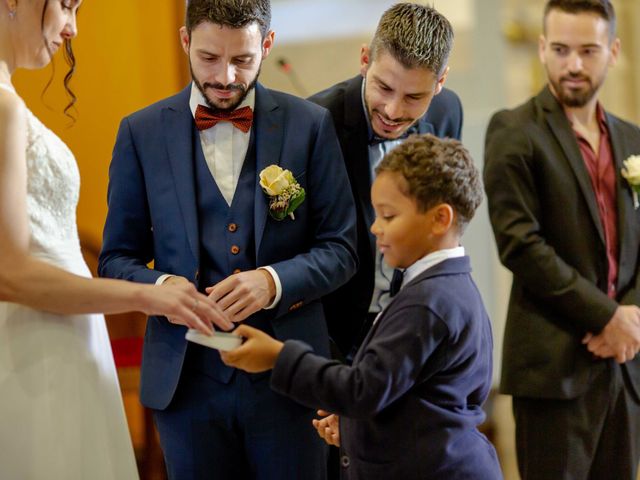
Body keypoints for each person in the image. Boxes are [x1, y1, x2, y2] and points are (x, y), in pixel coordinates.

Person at [97, 0, 357, 478]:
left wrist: (273, 281)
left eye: (242, 60)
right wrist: (159, 289)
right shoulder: (140, 133)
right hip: (186, 381)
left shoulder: (309, 125)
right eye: (209, 58)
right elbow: (116, 257)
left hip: (289, 374)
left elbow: (341, 248)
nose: (226, 77)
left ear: (267, 45)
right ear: (185, 41)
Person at [0, 1, 233, 479]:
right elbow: (11, 273)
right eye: (66, 6)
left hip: (62, 335)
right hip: (34, 348)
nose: (71, 28)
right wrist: (147, 296)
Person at [221, 134, 502, 480]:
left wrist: (278, 358)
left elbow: (362, 390)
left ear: (440, 219)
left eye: (388, 215)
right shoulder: (448, 287)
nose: (375, 227)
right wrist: (359, 429)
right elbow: (419, 399)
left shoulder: (430, 301)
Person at [484, 1, 640, 478]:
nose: (574, 64)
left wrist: (630, 321)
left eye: (588, 50)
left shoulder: (634, 142)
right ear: (542, 49)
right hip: (554, 369)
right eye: (561, 49)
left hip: (625, 364)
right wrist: (606, 315)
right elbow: (520, 243)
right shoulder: (514, 130)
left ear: (612, 51)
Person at [309, 2, 464, 360]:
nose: (393, 111)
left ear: (440, 83)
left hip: (417, 326)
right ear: (365, 60)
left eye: (414, 97)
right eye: (383, 87)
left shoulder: (447, 113)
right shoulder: (316, 123)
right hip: (338, 335)